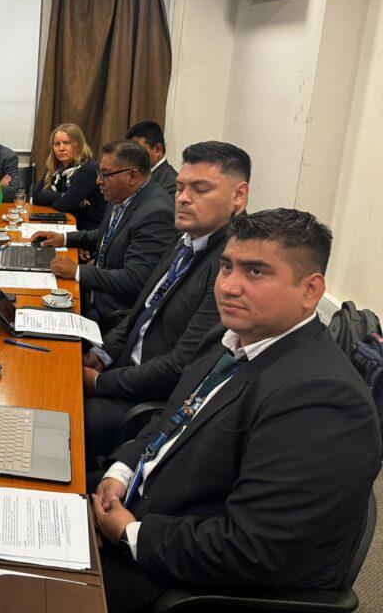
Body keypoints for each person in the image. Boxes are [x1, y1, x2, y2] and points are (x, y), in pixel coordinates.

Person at [90, 209, 381, 613]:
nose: (228, 286)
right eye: (227, 266)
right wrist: (120, 472)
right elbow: (170, 418)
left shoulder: (324, 400)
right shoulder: (230, 338)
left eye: (255, 272)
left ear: (310, 290)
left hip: (175, 577)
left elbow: (252, 549)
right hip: (140, 504)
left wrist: (129, 533)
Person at [81, 141, 251, 459]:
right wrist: (102, 355)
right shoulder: (186, 240)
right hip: (124, 369)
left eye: (200, 189)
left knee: (61, 415)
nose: (183, 197)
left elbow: (179, 366)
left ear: (238, 196)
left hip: (151, 401)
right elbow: (140, 312)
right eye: (181, 187)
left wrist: (101, 382)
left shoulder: (230, 269)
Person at [33, 141, 176, 330]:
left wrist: (77, 271)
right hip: (96, 293)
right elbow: (107, 234)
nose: (98, 181)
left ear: (133, 176)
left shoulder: (156, 213)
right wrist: (65, 238)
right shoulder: (123, 195)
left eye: (105, 175)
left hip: (112, 315)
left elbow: (134, 280)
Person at [31, 123, 106, 230]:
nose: (61, 148)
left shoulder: (88, 168)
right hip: (62, 222)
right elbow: (36, 197)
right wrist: (64, 195)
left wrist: (62, 199)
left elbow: (63, 205)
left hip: (86, 229)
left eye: (67, 143)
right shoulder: (55, 167)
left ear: (79, 145)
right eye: (57, 144)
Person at [126, 121, 177, 196]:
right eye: (130, 151)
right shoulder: (133, 174)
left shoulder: (171, 184)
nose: (132, 156)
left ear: (158, 150)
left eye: (137, 150)